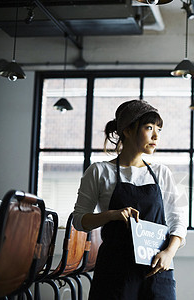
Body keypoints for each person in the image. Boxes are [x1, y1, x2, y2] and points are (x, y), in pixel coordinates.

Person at [73, 99, 188, 300]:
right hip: (115, 272)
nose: (155, 136)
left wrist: (169, 253)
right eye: (149, 127)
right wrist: (110, 215)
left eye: (159, 130)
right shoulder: (100, 172)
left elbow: (178, 220)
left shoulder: (161, 173)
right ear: (127, 130)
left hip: (156, 269)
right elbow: (79, 220)